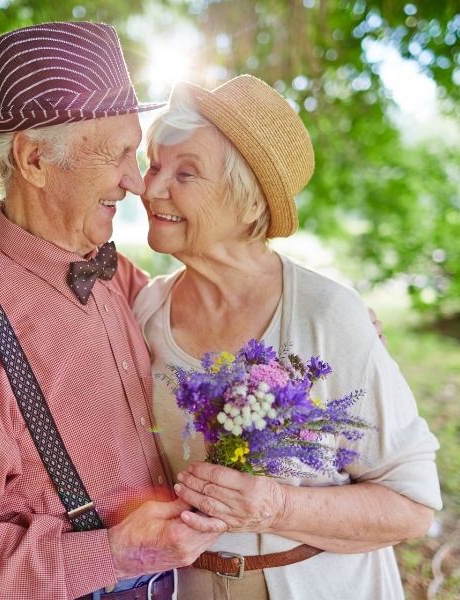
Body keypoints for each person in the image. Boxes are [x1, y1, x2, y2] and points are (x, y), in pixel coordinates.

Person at [0, 22, 228, 600]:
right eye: (117, 154)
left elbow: (202, 305)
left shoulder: (113, 272)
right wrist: (107, 554)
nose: (137, 182)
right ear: (34, 159)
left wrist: (302, 309)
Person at [131, 75, 442, 599]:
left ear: (250, 203)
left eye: (186, 173)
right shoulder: (145, 310)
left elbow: (412, 505)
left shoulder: (326, 314)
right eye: (155, 164)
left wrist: (277, 506)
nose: (150, 187)